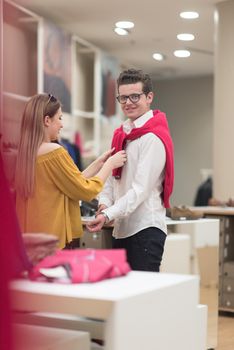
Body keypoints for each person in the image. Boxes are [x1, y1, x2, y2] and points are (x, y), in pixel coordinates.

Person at [87, 68, 174, 272]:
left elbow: (140, 190)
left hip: (145, 229)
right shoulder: (122, 133)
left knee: (143, 301)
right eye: (123, 97)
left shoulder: (153, 137)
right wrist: (104, 204)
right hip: (121, 229)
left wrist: (108, 214)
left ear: (149, 97)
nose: (128, 102)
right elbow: (112, 178)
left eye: (135, 96)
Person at [15, 93, 127, 249]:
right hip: (53, 240)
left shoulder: (26, 154)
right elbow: (85, 190)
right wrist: (110, 165)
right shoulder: (55, 152)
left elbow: (70, 183)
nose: (62, 124)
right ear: (47, 120)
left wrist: (98, 164)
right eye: (59, 118)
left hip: (31, 239)